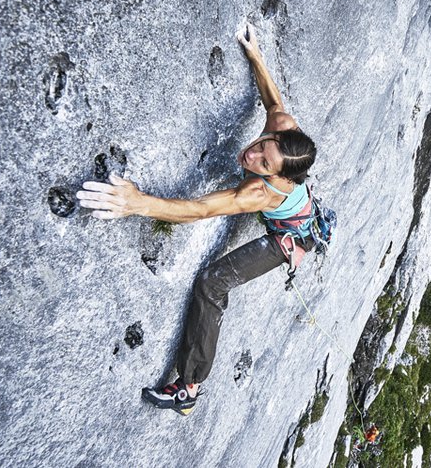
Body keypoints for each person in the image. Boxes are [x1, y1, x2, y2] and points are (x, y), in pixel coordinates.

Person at [77, 23, 317, 416]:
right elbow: (273, 103)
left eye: (264, 163)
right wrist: (256, 57)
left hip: (289, 237)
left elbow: (201, 209)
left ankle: (188, 387)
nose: (252, 155)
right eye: (261, 146)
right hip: (298, 206)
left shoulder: (257, 193)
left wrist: (138, 203)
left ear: (279, 177)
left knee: (212, 283)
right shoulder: (284, 130)